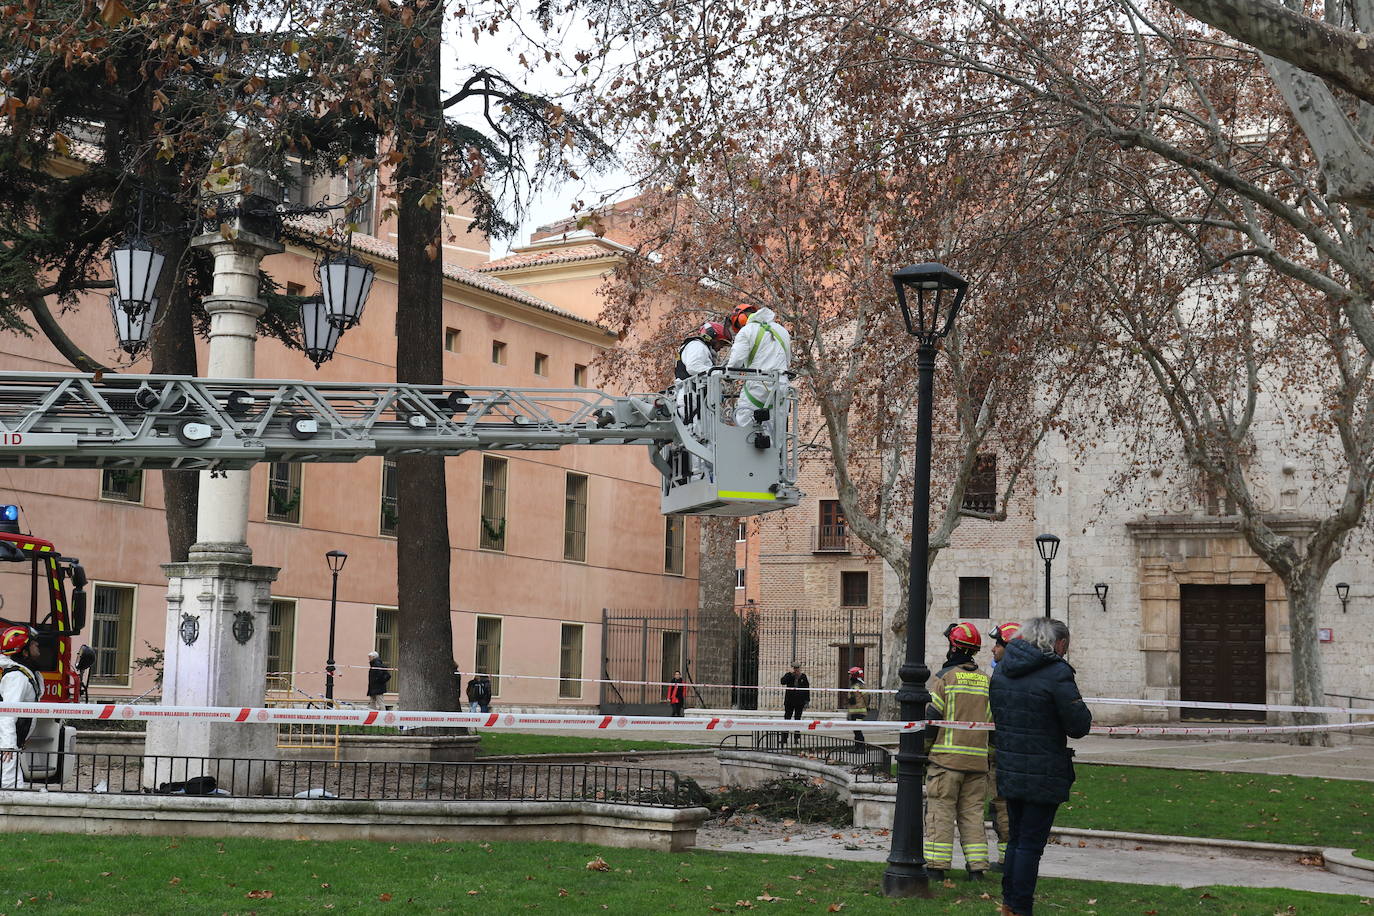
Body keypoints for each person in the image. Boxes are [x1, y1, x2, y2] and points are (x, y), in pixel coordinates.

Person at [989, 618, 1092, 916]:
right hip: (1043, 770)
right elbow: (1079, 724)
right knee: (1030, 845)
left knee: (1017, 839)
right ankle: (1021, 907)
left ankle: (1009, 903)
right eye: (1066, 645)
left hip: (1010, 766)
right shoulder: (1057, 673)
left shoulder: (1002, 672)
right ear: (1058, 643)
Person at [922, 622, 992, 881]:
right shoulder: (986, 680)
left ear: (953, 646)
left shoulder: (945, 678)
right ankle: (977, 869)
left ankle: (937, 868)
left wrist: (922, 751)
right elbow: (992, 725)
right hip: (977, 762)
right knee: (973, 815)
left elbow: (932, 717)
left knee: (940, 812)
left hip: (946, 762)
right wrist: (989, 756)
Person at [725, 303, 791, 447]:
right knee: (776, 437)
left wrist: (726, 376)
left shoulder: (747, 331)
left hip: (758, 389)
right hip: (781, 390)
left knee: (745, 426)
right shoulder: (782, 331)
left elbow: (735, 363)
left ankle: (747, 461)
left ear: (742, 318)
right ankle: (775, 464)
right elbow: (787, 361)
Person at [986, 620, 1022, 871]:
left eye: (997, 645)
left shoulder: (1002, 677)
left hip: (1002, 752)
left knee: (1001, 805)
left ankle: (1007, 858)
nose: (993, 650)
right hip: (1016, 751)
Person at [0, 624, 44, 790]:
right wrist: (8, 746)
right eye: (33, 643)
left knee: (15, 787)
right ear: (24, 651)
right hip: (6, 747)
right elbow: (7, 715)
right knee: (9, 787)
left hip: (10, 745)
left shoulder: (24, 674)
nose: (37, 645)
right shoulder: (17, 677)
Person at [779, 662, 810, 746]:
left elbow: (807, 689)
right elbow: (782, 682)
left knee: (797, 719)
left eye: (797, 668)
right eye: (794, 668)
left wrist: (807, 701)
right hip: (789, 701)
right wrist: (790, 674)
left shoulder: (803, 676)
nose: (796, 669)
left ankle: (796, 738)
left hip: (799, 702)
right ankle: (784, 738)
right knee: (787, 718)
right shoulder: (789, 676)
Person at [845, 666, 868, 749]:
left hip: (859, 712)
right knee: (855, 730)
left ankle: (861, 748)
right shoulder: (853, 685)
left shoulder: (860, 685)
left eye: (851, 675)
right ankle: (857, 747)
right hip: (853, 712)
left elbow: (866, 697)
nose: (850, 677)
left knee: (858, 730)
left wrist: (866, 706)